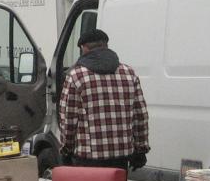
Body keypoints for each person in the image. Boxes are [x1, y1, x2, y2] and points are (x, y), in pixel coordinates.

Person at [57, 28, 150, 171]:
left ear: (84, 48)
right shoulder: (129, 73)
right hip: (121, 156)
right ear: (106, 45)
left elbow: (69, 118)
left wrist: (66, 150)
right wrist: (141, 149)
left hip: (87, 157)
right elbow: (140, 115)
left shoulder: (76, 76)